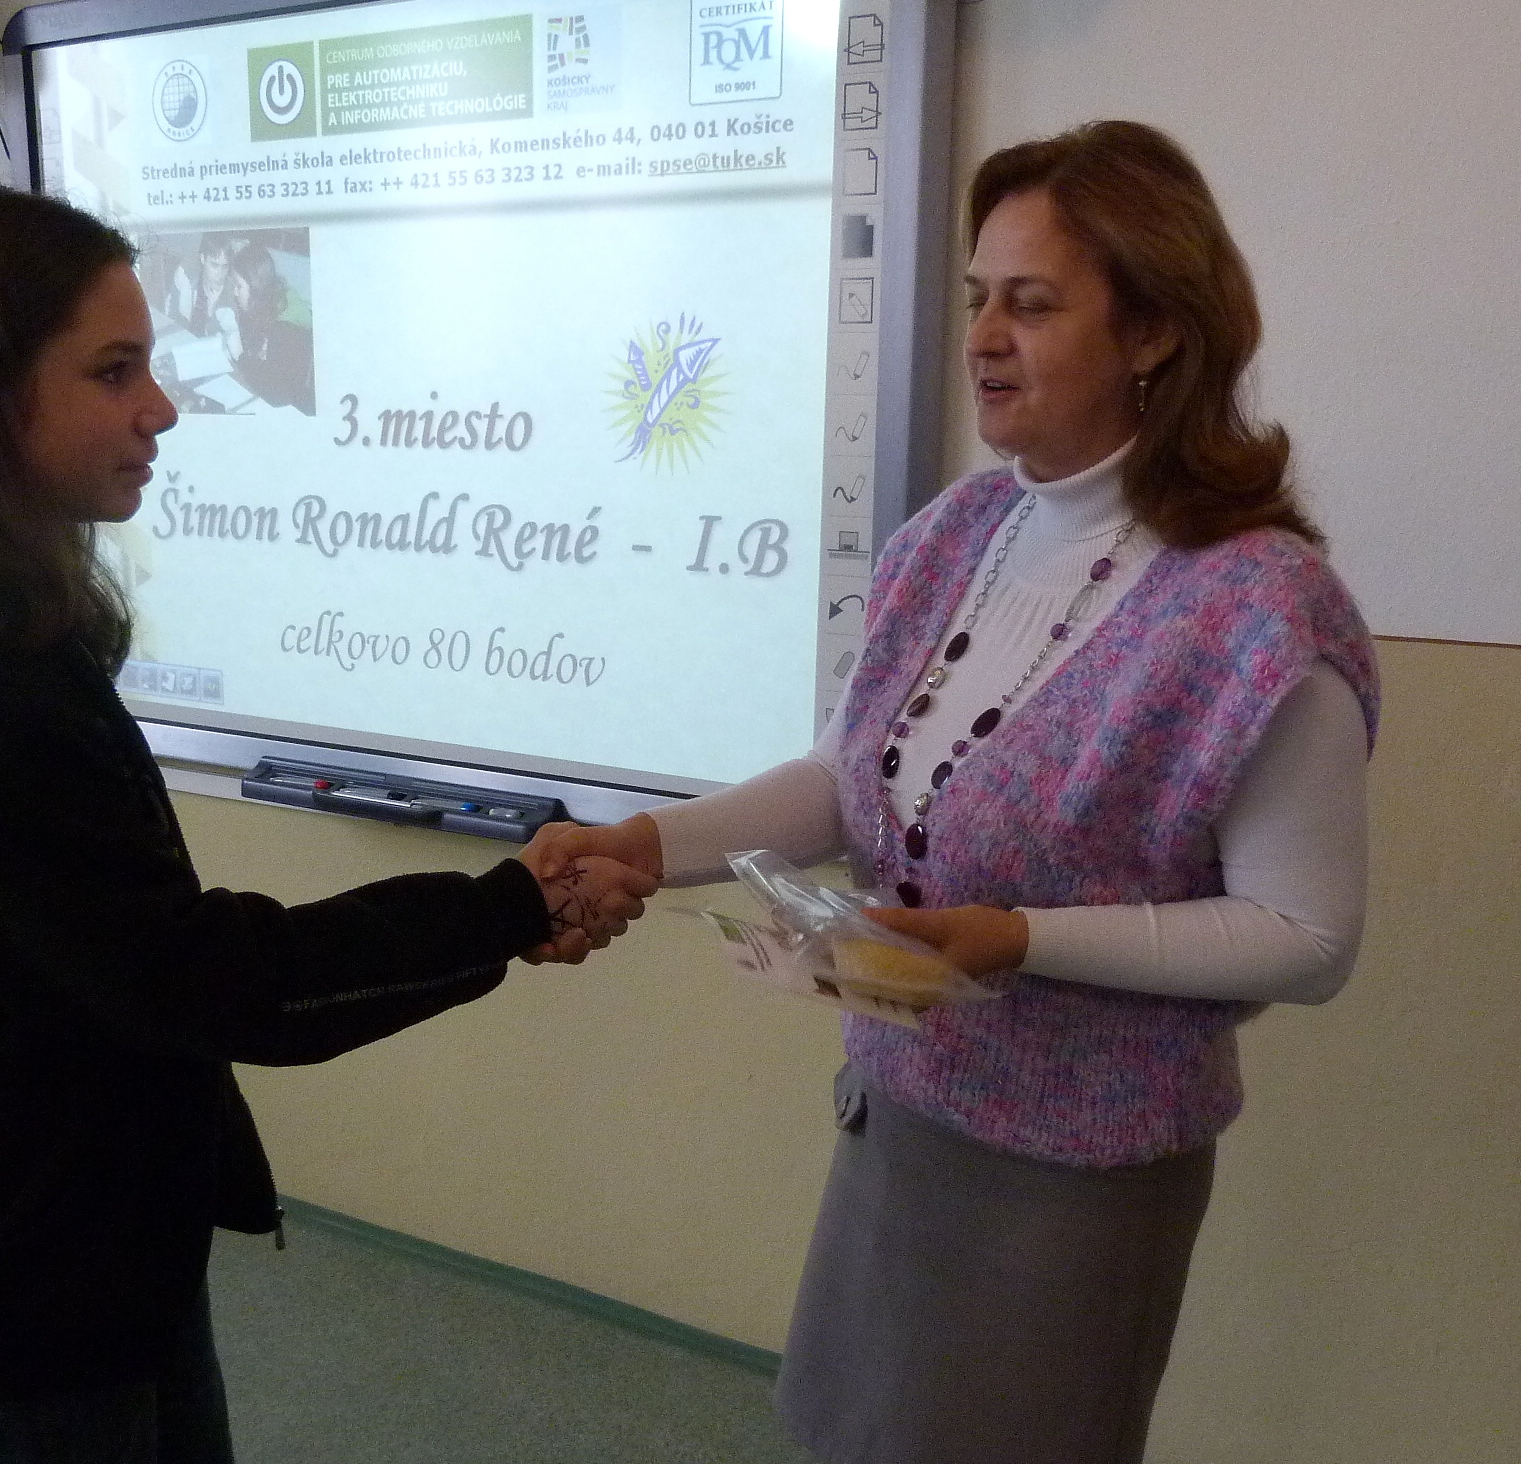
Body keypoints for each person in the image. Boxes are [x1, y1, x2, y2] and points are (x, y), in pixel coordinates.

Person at [0, 180, 654, 1464]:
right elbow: (207, 982)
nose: (161, 408)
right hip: (2, 1273)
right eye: (112, 371)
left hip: (80, 1226)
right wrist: (506, 909)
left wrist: (502, 911)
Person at [531, 121, 1379, 1464]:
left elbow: (1305, 938)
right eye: (976, 296)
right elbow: (840, 780)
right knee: (855, 1433)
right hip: (899, 1112)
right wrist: (648, 842)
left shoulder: (1256, 607)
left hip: (1076, 1175)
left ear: (1154, 329)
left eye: (1030, 304)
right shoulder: (951, 537)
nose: (983, 336)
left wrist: (1012, 938)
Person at [223, 239, 315, 415]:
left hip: (294, 410)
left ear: (255, 287)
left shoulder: (285, 328)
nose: (235, 292)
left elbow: (278, 393)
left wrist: (240, 357)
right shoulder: (263, 303)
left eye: (239, 286)